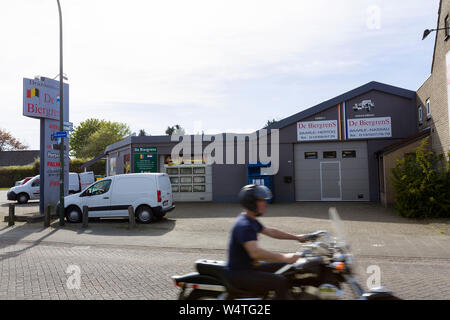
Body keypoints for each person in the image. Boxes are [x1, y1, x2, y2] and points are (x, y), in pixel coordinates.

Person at [226, 184, 307, 300]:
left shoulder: (251, 220)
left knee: (290, 268)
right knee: (280, 281)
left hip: (250, 267)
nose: (265, 203)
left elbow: (271, 232)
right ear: (251, 202)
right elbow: (255, 253)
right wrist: (284, 257)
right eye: (261, 200)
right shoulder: (244, 225)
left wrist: (297, 237)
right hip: (240, 273)